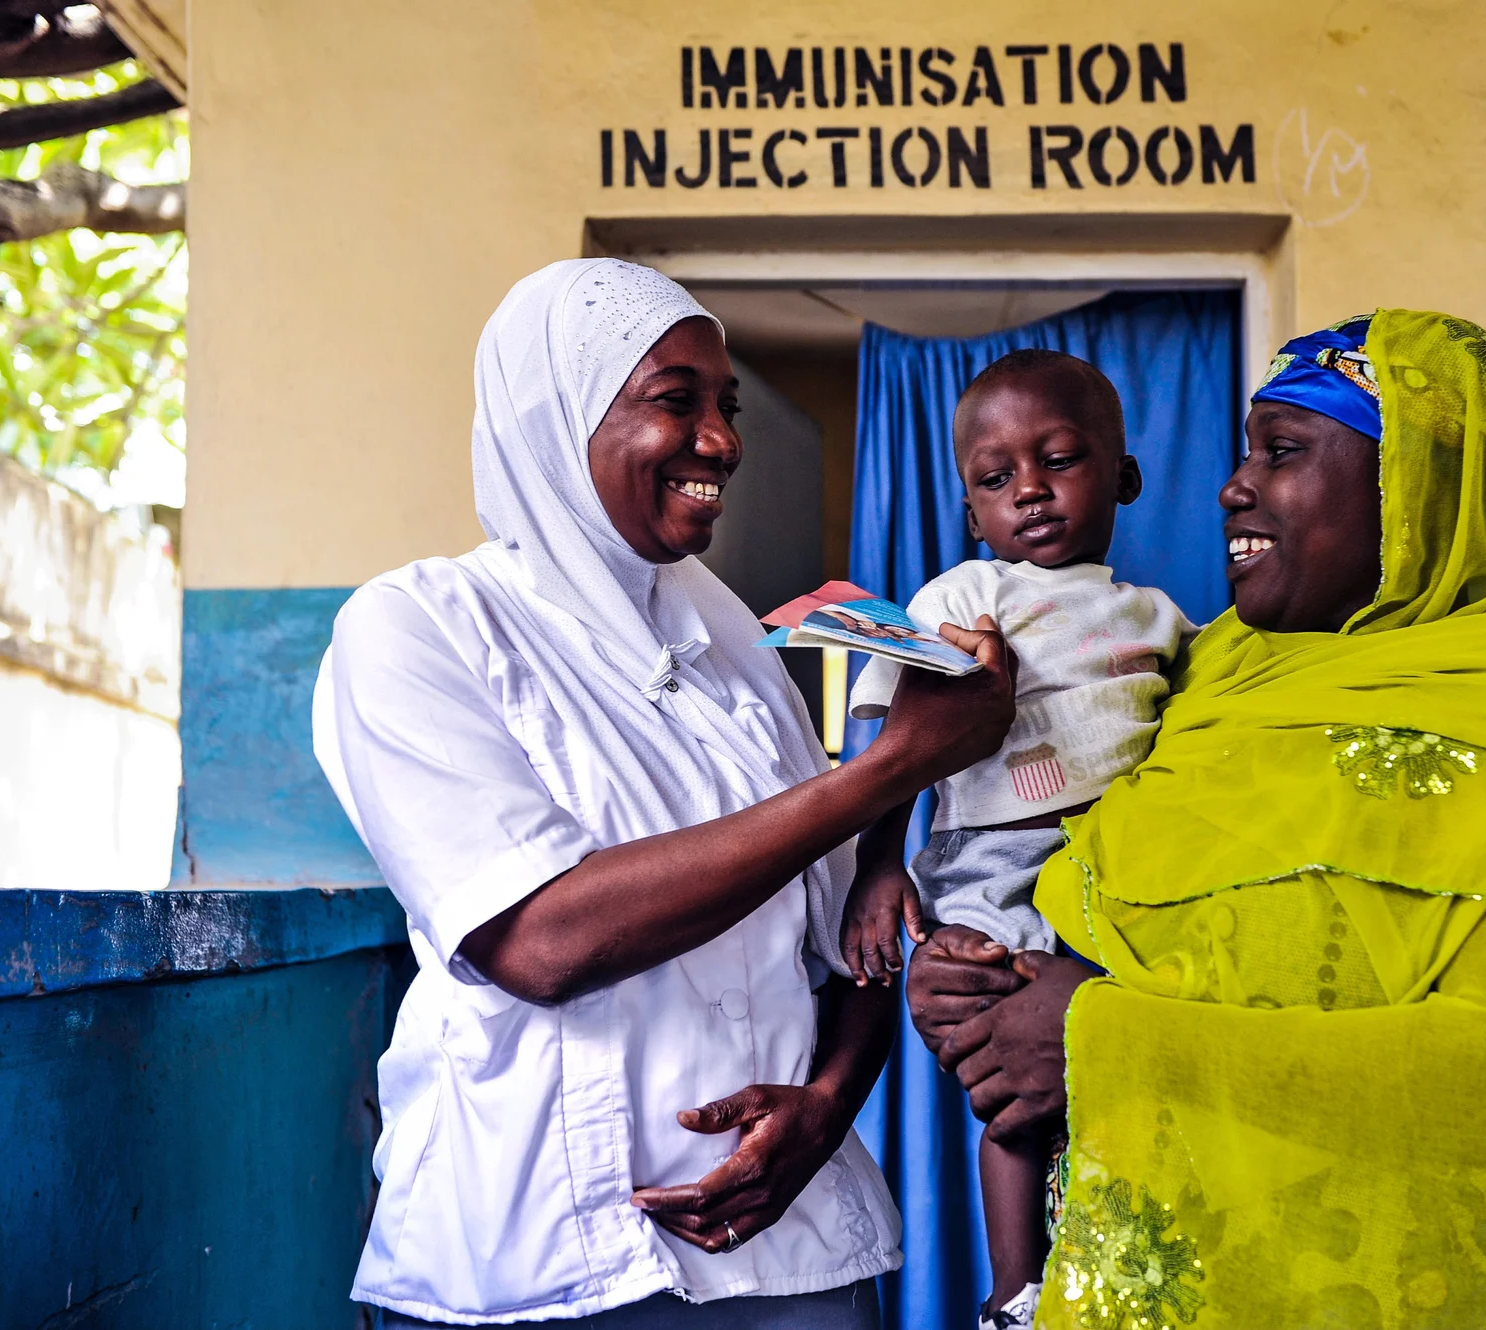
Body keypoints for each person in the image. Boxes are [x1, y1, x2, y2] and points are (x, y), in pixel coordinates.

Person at [906, 311, 1486, 1327]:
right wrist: (966, 973)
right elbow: (1082, 879)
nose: (1231, 487)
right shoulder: (1206, 673)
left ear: (1415, 491)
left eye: (1280, 452)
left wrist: (1096, 1040)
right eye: (1240, 453)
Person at [311, 259, 1017, 1327]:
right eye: (672, 400)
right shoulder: (420, 626)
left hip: (789, 1248)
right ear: (557, 417)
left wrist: (826, 1108)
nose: (723, 440)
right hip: (540, 1250)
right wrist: (886, 770)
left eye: (726, 406)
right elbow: (540, 941)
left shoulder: (734, 648)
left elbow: (849, 946)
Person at [839, 349, 1195, 1330]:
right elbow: (895, 751)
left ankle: (1096, 1264)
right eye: (996, 478)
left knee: (1097, 1064)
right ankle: (1013, 1289)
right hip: (992, 854)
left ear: (1121, 477)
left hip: (1111, 864)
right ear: (969, 510)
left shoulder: (1163, 621)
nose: (1028, 491)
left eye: (1060, 461)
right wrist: (878, 865)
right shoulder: (960, 600)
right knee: (1014, 1082)